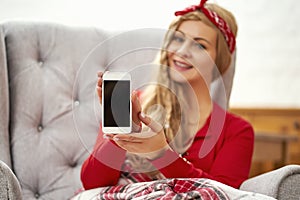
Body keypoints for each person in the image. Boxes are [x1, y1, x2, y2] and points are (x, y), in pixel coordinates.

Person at [80, 0, 254, 191]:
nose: (181, 52)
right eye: (178, 39)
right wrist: (122, 130)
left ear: (218, 60)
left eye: (200, 46)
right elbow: (92, 183)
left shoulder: (237, 131)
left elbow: (224, 194)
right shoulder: (134, 102)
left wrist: (161, 154)